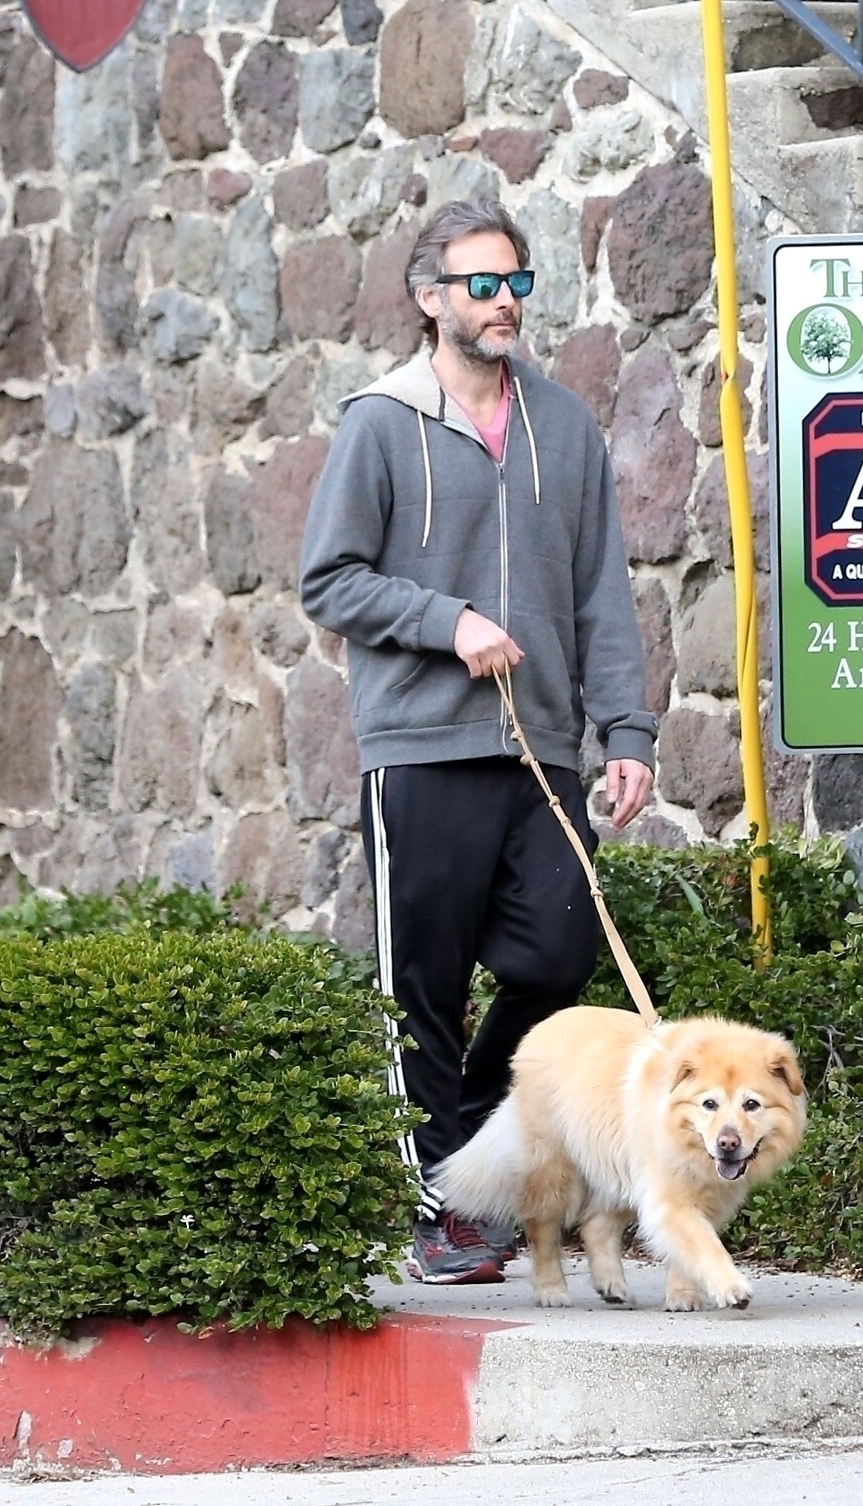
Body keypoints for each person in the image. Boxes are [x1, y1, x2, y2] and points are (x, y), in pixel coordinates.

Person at [299, 200, 658, 1287]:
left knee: (556, 955)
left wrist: (626, 729)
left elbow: (600, 592)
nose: (505, 302)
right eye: (483, 285)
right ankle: (436, 1210)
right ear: (430, 298)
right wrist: (445, 620)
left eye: (517, 283)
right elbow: (330, 579)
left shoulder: (564, 426)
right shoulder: (380, 422)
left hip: (541, 746)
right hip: (418, 745)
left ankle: (461, 1151)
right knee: (422, 983)